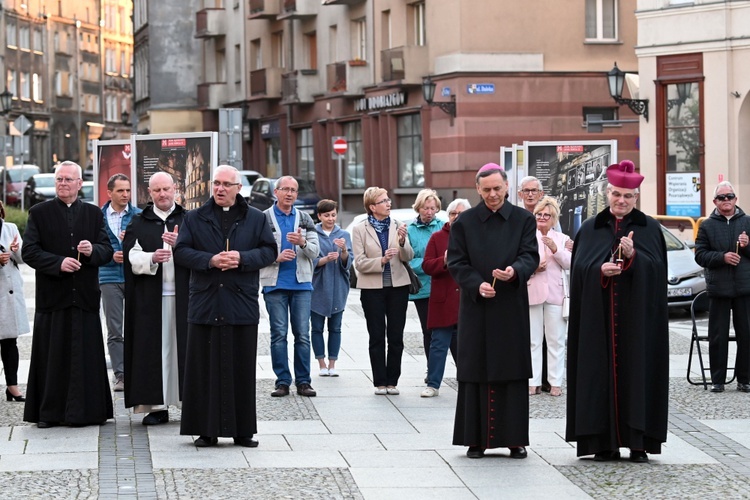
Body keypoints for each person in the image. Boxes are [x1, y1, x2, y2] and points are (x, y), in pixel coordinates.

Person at [565, 160, 669, 463]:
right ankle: (603, 442)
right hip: (599, 323)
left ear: (636, 197)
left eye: (628, 196)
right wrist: (600, 269)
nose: (621, 201)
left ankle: (638, 442)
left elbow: (658, 270)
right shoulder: (590, 228)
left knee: (638, 372)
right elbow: (579, 269)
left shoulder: (649, 227)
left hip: (638, 323)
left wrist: (634, 256)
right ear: (607, 192)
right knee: (598, 375)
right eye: (616, 194)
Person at [173, 165, 277, 447]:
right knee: (203, 369)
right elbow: (181, 251)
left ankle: (242, 431)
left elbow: (269, 251)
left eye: (226, 184)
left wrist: (242, 258)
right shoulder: (194, 218)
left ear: (238, 188)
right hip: (205, 302)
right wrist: (210, 261)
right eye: (216, 183)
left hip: (240, 302)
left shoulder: (255, 218)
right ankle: (206, 430)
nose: (219, 189)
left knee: (240, 368)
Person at [448, 165, 538, 459]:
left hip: (510, 307)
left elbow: (530, 255)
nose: (492, 194)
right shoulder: (465, 222)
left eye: (497, 188)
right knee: (476, 370)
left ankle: (515, 439)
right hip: (477, 308)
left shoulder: (524, 219)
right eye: (486, 189)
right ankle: (475, 439)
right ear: (477, 189)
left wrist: (515, 271)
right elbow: (457, 263)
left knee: (511, 370)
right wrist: (477, 284)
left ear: (507, 187)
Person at [22, 161, 114, 428]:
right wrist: (58, 263)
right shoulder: (39, 213)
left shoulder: (94, 214)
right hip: (54, 297)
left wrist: (91, 251)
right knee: (52, 358)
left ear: (78, 184)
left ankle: (89, 412)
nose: (63, 184)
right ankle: (49, 413)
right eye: (59, 179)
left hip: (83, 297)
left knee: (85, 358)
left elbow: (106, 250)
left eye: (68, 179)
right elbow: (30, 251)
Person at [122, 172, 189, 425]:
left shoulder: (189, 219)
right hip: (151, 298)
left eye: (166, 189)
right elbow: (130, 255)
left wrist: (179, 243)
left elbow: (202, 250)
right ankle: (156, 406)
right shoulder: (139, 222)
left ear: (175, 189)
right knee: (154, 351)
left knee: (183, 349)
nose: (162, 194)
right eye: (157, 190)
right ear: (149, 193)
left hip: (184, 297)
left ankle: (188, 402)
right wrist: (151, 258)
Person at [260, 176, 319, 398]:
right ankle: (282, 381)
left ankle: (303, 381)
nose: (290, 194)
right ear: (276, 192)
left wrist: (302, 243)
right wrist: (276, 257)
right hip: (274, 285)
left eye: (294, 190)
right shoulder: (263, 219)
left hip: (301, 284)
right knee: (278, 334)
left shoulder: (304, 219)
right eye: (285, 189)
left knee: (303, 334)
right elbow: (256, 253)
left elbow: (315, 252)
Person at [351, 187, 414, 395]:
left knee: (396, 336)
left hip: (398, 287)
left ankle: (392, 381)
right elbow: (359, 263)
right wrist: (382, 260)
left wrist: (403, 242)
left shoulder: (398, 226)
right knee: (377, 335)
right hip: (372, 289)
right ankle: (379, 381)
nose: (388, 204)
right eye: (383, 201)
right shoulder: (360, 229)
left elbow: (408, 257)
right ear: (372, 207)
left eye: (388, 200)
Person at [694, 181, 750, 393]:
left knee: (747, 334)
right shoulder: (707, 225)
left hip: (745, 288)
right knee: (718, 336)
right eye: (721, 197)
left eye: (730, 196)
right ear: (715, 202)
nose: (726, 200)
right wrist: (722, 257)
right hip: (719, 289)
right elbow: (700, 255)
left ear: (736, 199)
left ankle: (745, 379)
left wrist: (747, 245)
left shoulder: (747, 222)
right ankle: (718, 380)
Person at [420, 198, 470, 397]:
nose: (456, 217)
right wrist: (444, 260)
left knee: (465, 345)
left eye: (461, 214)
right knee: (438, 343)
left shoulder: (474, 236)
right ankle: (433, 384)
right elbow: (426, 265)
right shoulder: (437, 237)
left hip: (466, 299)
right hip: (443, 299)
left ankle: (467, 381)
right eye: (453, 213)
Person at [100, 173, 141, 392]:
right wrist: (110, 256)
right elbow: (95, 248)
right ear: (109, 193)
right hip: (108, 277)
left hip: (134, 275)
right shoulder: (98, 216)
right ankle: (121, 374)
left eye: (128, 190)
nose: (125, 194)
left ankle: (138, 372)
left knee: (138, 326)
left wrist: (131, 245)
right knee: (115, 329)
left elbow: (148, 245)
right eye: (120, 191)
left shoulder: (139, 215)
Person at [527, 197, 572, 397]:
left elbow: (570, 263)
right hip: (532, 291)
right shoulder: (527, 237)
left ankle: (555, 382)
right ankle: (533, 381)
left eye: (547, 215)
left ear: (554, 218)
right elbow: (520, 261)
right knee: (533, 341)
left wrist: (556, 249)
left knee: (556, 340)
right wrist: (533, 267)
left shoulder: (563, 238)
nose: (543, 218)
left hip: (556, 294)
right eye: (539, 214)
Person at [311, 199, 352, 377]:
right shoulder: (312, 234)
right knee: (316, 327)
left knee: (335, 327)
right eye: (326, 215)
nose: (330, 218)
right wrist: (324, 260)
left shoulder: (343, 235)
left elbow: (349, 262)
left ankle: (333, 363)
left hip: (338, 287)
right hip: (317, 288)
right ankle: (321, 363)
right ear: (319, 216)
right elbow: (308, 260)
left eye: (333, 215)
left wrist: (343, 252)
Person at [406, 189, 445, 368]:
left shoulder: (442, 226)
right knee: (428, 330)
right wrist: (432, 263)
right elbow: (408, 260)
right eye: (425, 208)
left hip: (443, 286)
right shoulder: (410, 230)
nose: (429, 212)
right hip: (422, 288)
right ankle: (432, 369)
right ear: (418, 208)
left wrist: (436, 263)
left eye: (432, 208)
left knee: (448, 330)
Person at [0, 200, 29, 402]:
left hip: (8, 291)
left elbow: (22, 258)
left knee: (10, 342)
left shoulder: (10, 228)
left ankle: (13, 386)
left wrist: (16, 250)